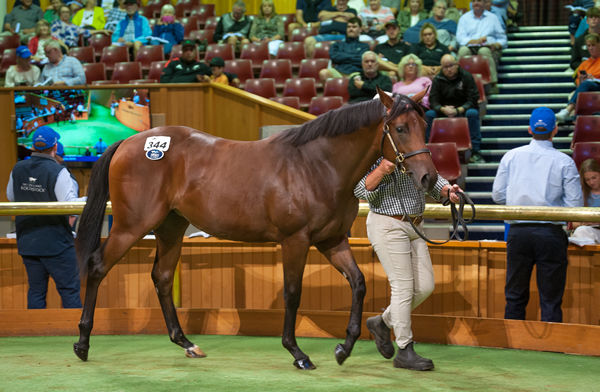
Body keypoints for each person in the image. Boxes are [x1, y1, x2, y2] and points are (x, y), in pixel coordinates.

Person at [354, 144, 463, 371]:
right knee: (403, 287)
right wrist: (382, 170)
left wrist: (446, 191)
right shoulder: (375, 153)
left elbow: (430, 178)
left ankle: (382, 322)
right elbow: (360, 191)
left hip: (415, 224)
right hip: (387, 223)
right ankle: (404, 349)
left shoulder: (416, 149)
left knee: (425, 286)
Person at [492, 107, 583, 323]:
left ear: (529, 130)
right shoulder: (564, 161)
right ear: (555, 130)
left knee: (514, 295)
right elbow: (575, 204)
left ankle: (511, 346)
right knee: (551, 298)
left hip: (518, 232)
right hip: (550, 233)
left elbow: (497, 195)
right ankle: (551, 351)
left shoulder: (511, 156)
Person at [5, 126, 83, 309]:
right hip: (57, 244)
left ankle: (34, 335)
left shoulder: (18, 168)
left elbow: (12, 197)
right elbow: (69, 206)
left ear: (33, 146)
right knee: (69, 291)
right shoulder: (59, 172)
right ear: (55, 146)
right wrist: (90, 200)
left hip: (28, 241)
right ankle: (75, 335)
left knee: (36, 291)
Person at [426, 54, 483, 162]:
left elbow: (473, 98)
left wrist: (458, 109)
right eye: (445, 67)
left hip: (463, 110)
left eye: (451, 66)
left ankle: (475, 151)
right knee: (429, 114)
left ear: (457, 65)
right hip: (444, 110)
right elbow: (433, 101)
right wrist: (443, 109)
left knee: (472, 113)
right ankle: (427, 151)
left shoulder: (467, 76)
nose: (449, 69)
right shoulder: (438, 79)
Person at [456, 0, 507, 94]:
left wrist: (496, 45)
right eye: (474, 1)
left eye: (479, 1)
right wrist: (475, 41)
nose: (476, 3)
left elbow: (503, 39)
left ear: (485, 3)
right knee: (462, 51)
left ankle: (492, 84)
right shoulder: (464, 18)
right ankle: (459, 82)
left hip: (488, 47)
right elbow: (460, 38)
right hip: (469, 46)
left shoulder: (493, 18)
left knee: (484, 51)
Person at [556, 33, 600, 122]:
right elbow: (578, 85)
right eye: (589, 45)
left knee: (587, 84)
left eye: (593, 45)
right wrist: (581, 80)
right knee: (579, 89)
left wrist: (594, 79)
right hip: (587, 88)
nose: (591, 48)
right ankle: (576, 122)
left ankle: (567, 110)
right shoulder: (584, 64)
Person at [319, 17, 370, 82]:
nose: (351, 29)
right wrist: (354, 56)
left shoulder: (365, 46)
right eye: (349, 27)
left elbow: (361, 61)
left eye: (354, 27)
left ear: (360, 29)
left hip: (356, 73)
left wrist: (343, 57)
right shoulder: (337, 45)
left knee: (360, 78)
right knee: (324, 73)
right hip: (338, 72)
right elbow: (334, 58)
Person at [570, 158, 600, 244]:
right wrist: (585, 223)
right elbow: (574, 223)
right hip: (589, 231)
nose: (591, 182)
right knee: (581, 231)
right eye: (587, 179)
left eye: (594, 178)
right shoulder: (581, 194)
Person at [570, 7, 600, 72]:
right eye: (591, 17)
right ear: (587, 21)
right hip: (586, 74)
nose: (593, 19)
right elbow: (573, 63)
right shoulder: (579, 40)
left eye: (596, 17)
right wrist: (587, 66)